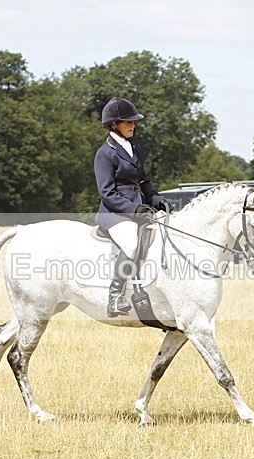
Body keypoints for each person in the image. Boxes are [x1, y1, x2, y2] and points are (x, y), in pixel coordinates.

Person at [94, 97, 172, 317]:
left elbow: (143, 182)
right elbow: (107, 193)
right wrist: (134, 210)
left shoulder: (133, 148)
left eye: (133, 122)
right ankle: (115, 296)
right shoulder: (105, 153)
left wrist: (157, 200)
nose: (133, 125)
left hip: (138, 209)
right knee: (130, 243)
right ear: (113, 125)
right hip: (115, 213)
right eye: (128, 122)